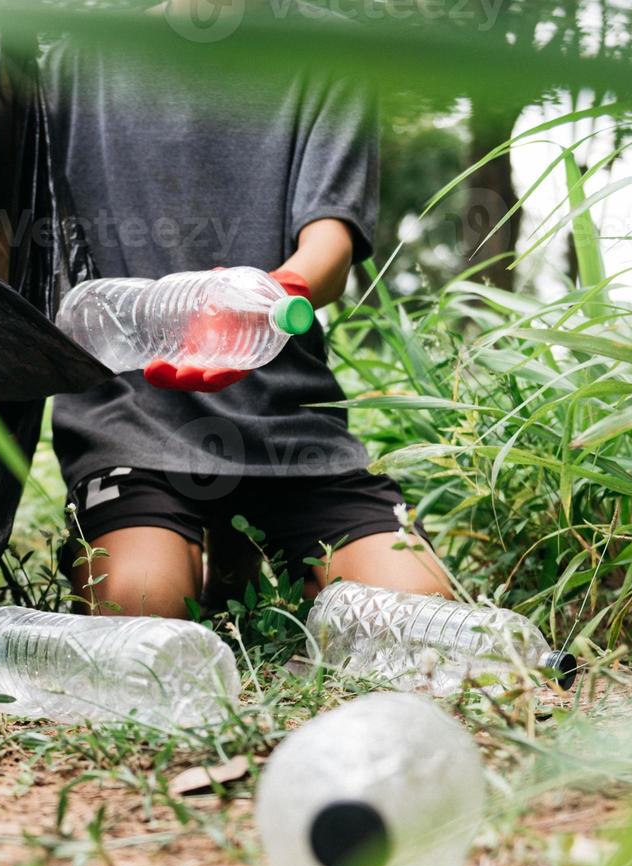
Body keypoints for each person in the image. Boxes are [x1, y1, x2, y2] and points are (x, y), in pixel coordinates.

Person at [44, 7, 452, 617]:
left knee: (421, 610)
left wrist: (270, 298)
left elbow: (331, 248)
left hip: (287, 424)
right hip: (132, 420)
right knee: (140, 605)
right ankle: (210, 550)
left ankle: (241, 552)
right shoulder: (70, 53)